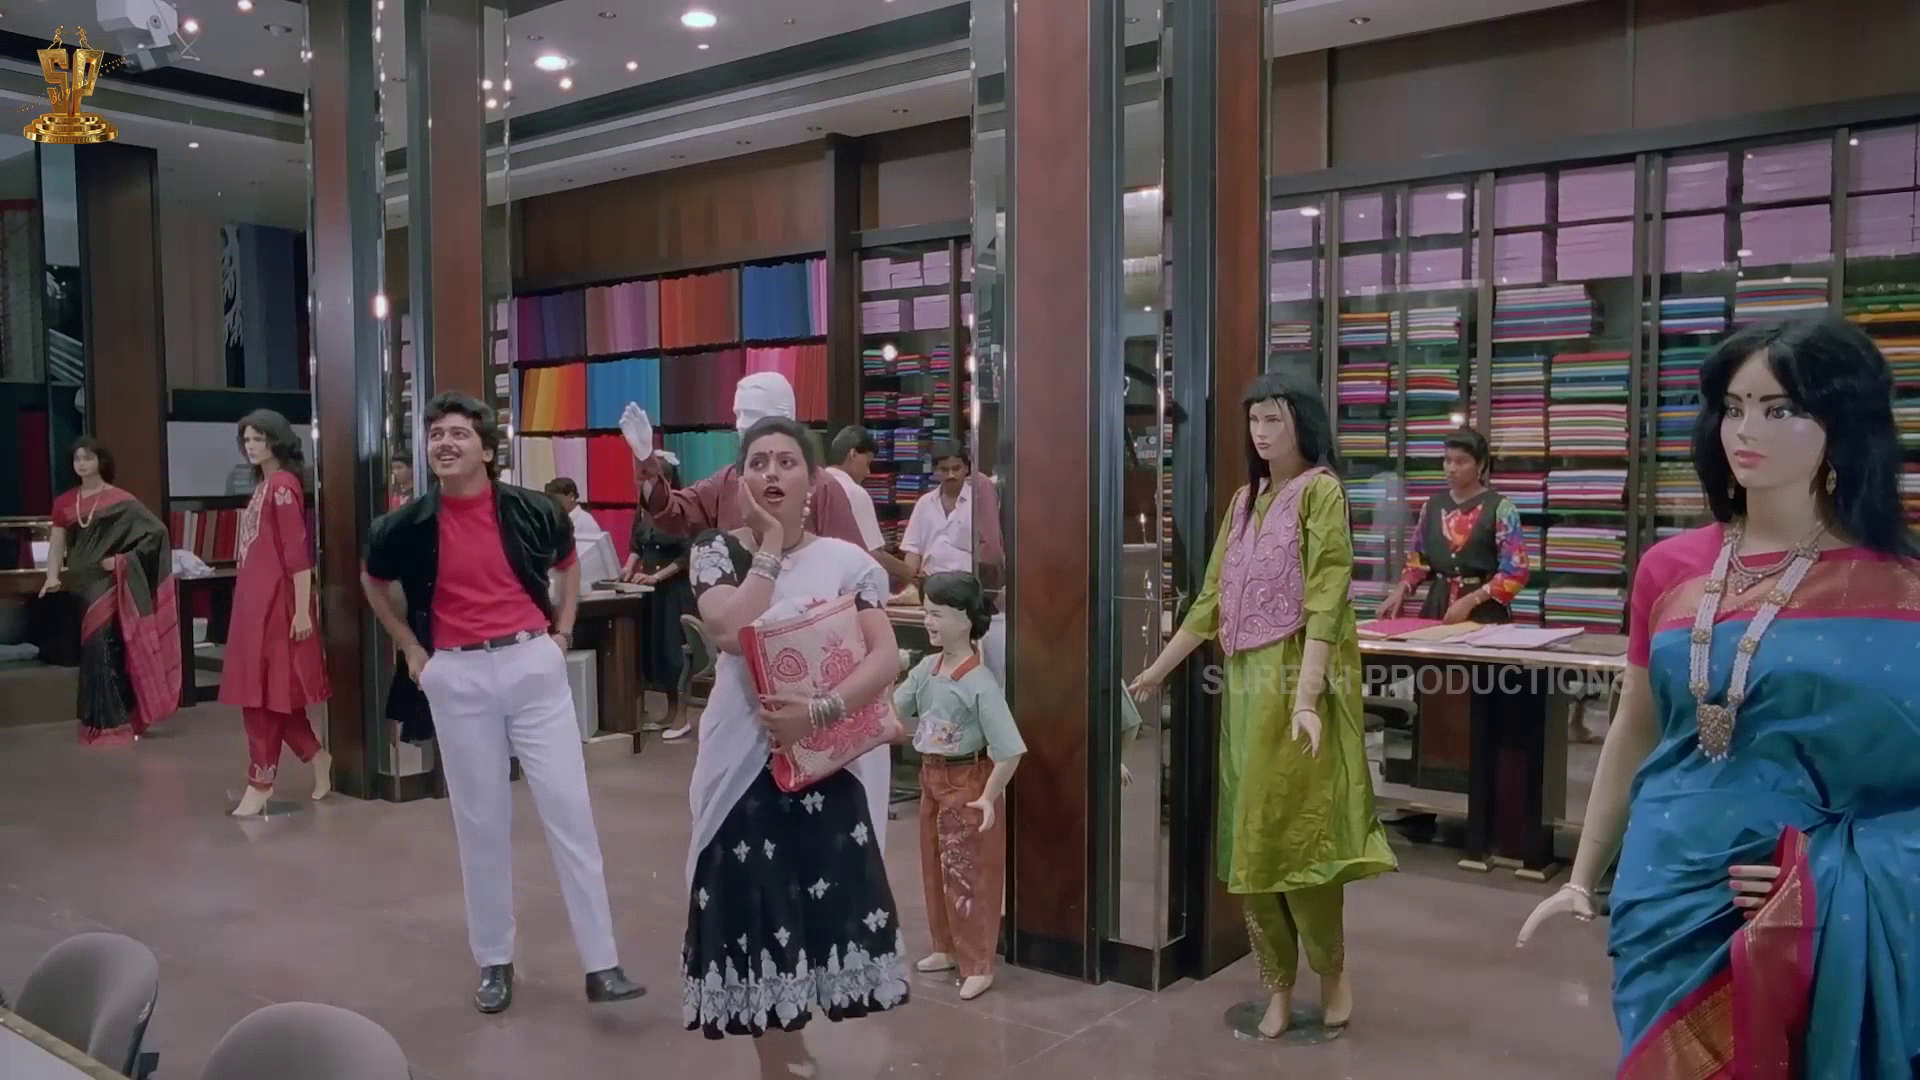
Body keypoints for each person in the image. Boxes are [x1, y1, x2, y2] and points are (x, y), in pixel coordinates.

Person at [1517, 318, 1920, 1078]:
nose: (1746, 431)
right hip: (1666, 888)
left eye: (1779, 408)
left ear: (1843, 422)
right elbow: (1634, 728)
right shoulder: (1669, 568)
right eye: (1734, 408)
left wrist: (1826, 870)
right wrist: (1581, 877)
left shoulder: (1901, 588)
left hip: (1808, 908)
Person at [1128, 371, 1396, 1038]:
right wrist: (1157, 670)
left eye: (1274, 418)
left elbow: (1327, 597)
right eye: (1254, 420)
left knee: (1301, 841)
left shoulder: (1321, 492)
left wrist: (1306, 699)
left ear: (1303, 422)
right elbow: (1210, 600)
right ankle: (1275, 985)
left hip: (1299, 683)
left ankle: (1331, 972)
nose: (1262, 432)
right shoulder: (1245, 501)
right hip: (1245, 690)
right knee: (1251, 844)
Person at [362, 391, 643, 1015]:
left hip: (530, 663)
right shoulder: (404, 526)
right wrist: (411, 647)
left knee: (570, 811)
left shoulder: (533, 510)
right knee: (480, 823)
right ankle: (494, 959)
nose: (444, 443)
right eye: (436, 434)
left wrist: (561, 633)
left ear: (487, 450)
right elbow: (373, 581)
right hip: (456, 674)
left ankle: (602, 963)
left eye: (458, 434)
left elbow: (569, 566)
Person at [681, 416, 908, 1076]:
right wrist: (773, 546)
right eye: (758, 462)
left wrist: (819, 712)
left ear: (813, 479)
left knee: (813, 898)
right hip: (741, 761)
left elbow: (885, 655)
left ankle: (795, 1046)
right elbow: (730, 629)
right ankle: (775, 1060)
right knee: (753, 901)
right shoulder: (715, 551)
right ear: (740, 479)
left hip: (825, 761)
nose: (772, 473)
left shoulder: (848, 562)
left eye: (786, 461)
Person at [897, 571, 1024, 1002]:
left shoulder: (979, 682)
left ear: (966, 618)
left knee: (970, 874)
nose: (928, 621)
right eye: (927, 612)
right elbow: (894, 708)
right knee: (935, 864)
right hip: (931, 776)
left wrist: (988, 796)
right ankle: (946, 946)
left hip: (967, 780)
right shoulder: (926, 670)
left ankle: (978, 963)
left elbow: (1009, 749)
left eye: (937, 614)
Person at [220, 410, 333, 817]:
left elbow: (297, 555)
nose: (251, 446)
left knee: (262, 696)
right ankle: (317, 755)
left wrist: (302, 612)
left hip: (276, 606)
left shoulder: (282, 487)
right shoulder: (264, 486)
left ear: (276, 441)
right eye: (247, 440)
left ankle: (261, 781)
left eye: (259, 439)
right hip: (253, 604)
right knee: (271, 693)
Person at [618, 372, 866, 547]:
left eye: (752, 413)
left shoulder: (821, 487)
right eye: (738, 414)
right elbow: (674, 513)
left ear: (784, 417)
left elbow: (853, 569)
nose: (741, 424)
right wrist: (646, 459)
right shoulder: (727, 480)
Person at [39, 438, 179, 745]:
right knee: (94, 652)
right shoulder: (64, 502)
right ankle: (102, 721)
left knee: (102, 648)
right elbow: (57, 545)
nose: (82, 464)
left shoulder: (121, 501)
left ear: (101, 462)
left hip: (108, 583)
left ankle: (113, 724)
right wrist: (51, 577)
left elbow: (157, 533)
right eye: (77, 459)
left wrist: (121, 561)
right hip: (79, 584)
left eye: (88, 458)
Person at [1379, 427, 1529, 624]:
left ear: (1480, 465)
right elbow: (1417, 562)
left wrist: (1472, 601)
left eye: (1461, 462)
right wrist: (1401, 589)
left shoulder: (1500, 509)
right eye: (1447, 460)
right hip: (1437, 607)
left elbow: (1516, 572)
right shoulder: (1432, 506)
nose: (1451, 468)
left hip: (1484, 610)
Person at [619, 461, 696, 741]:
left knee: (676, 653)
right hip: (651, 591)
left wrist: (657, 576)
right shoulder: (641, 510)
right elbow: (636, 546)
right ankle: (669, 711)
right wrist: (628, 568)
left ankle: (682, 716)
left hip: (675, 591)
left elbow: (686, 556)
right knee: (658, 652)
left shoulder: (681, 508)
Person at [827, 424, 914, 582]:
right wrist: (909, 573)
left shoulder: (814, 485)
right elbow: (874, 553)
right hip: (846, 581)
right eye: (868, 463)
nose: (868, 472)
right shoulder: (854, 492)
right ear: (853, 454)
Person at [901, 442, 975, 581]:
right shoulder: (924, 503)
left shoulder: (977, 501)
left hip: (967, 581)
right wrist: (910, 580)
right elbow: (913, 549)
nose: (951, 475)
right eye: (944, 470)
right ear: (935, 471)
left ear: (966, 468)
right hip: (930, 580)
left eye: (956, 469)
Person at [542, 477, 620, 585]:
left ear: (571, 497)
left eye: (556, 499)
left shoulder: (586, 522)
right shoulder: (557, 521)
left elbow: (595, 560)